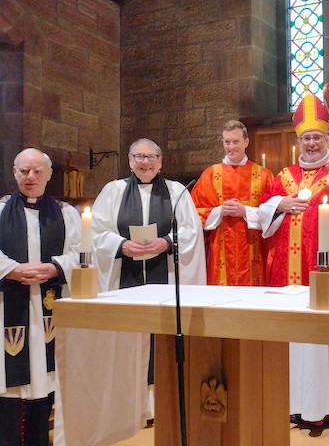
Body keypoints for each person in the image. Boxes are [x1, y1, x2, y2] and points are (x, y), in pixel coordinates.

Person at [259, 93, 329, 424]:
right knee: (292, 337)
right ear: (298, 141)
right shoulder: (283, 176)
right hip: (287, 276)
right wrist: (279, 205)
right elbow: (263, 214)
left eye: (317, 137)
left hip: (328, 272)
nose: (311, 143)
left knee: (324, 336)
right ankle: (295, 403)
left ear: (326, 139)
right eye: (306, 138)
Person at [91, 138, 206, 421]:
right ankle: (127, 404)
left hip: (164, 276)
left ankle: (159, 405)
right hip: (126, 277)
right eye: (139, 157)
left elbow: (191, 230)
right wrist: (121, 245)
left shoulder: (176, 192)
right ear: (130, 161)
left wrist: (167, 242)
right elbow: (98, 231)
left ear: (160, 162)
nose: (145, 162)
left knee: (161, 339)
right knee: (127, 337)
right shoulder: (113, 192)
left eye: (151, 157)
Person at [0, 148, 81, 446]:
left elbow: (80, 253)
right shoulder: (1, 210)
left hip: (49, 309)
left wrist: (55, 267)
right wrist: (11, 269)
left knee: (45, 381)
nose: (30, 177)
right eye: (24, 171)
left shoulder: (66, 214)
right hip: (8, 308)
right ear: (14, 173)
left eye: (37, 171)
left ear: (49, 175)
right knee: (8, 387)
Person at [191, 120, 273, 286]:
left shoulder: (264, 176)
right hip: (219, 251)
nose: (231, 147)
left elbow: (274, 215)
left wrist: (245, 212)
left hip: (254, 251)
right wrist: (219, 211)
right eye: (227, 142)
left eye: (236, 141)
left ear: (246, 142)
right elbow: (193, 214)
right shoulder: (210, 175)